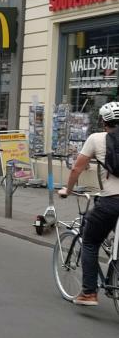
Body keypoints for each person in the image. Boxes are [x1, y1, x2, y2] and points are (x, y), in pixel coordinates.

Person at [59, 101, 119, 306]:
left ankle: (88, 293)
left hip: (111, 201)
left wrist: (67, 190)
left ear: (103, 121)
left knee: (90, 241)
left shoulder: (96, 139)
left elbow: (76, 168)